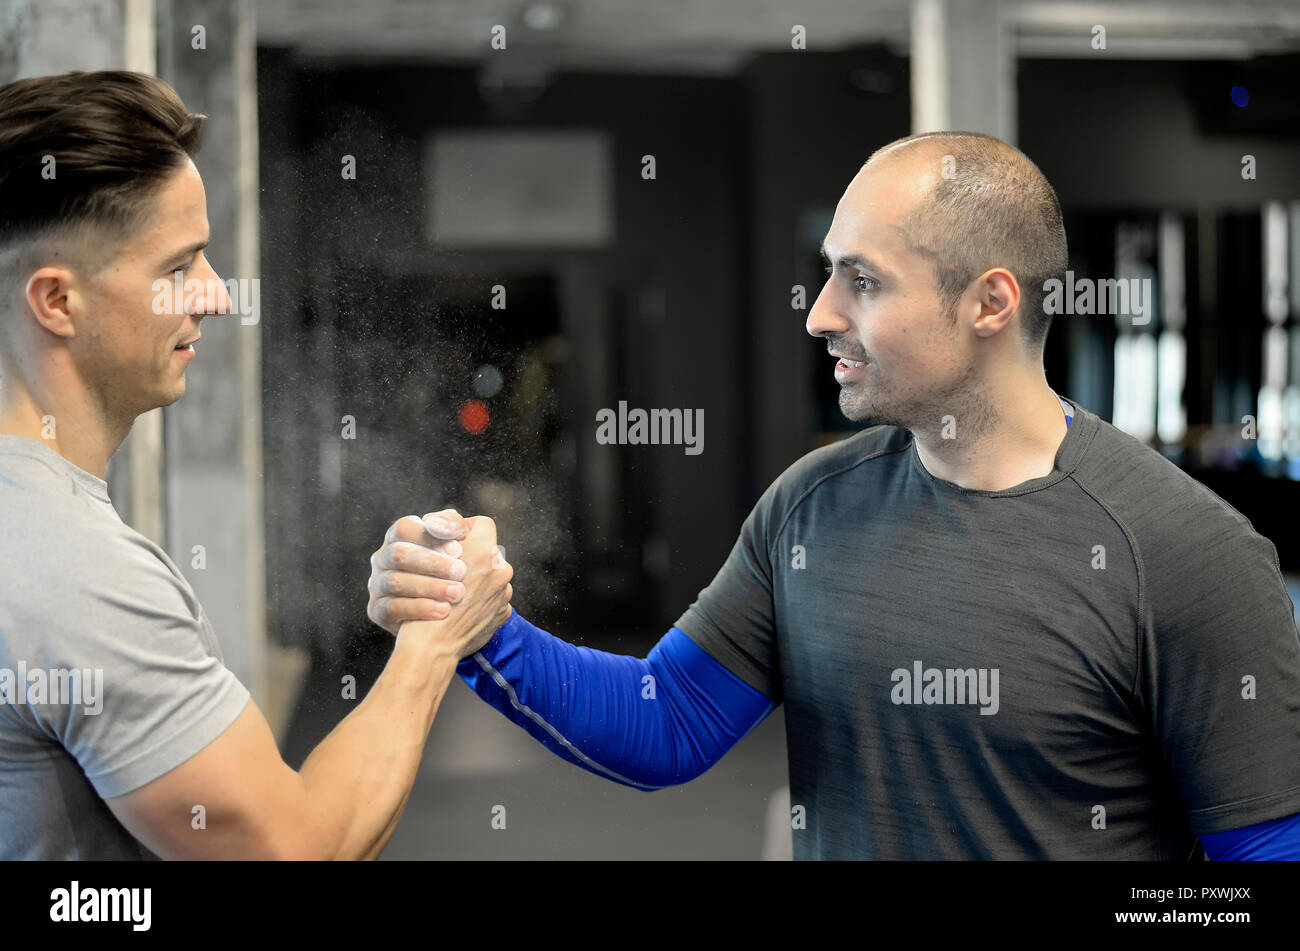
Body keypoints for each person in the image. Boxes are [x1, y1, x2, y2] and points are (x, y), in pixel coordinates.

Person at [369, 131, 1300, 860]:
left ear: (989, 302)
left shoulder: (1188, 555)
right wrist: (474, 623)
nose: (820, 313)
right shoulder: (811, 507)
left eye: (863, 280)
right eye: (829, 272)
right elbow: (666, 718)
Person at [0, 70, 513, 860]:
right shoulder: (76, 574)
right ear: (58, 301)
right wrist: (434, 640)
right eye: (179, 267)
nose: (214, 295)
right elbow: (291, 847)